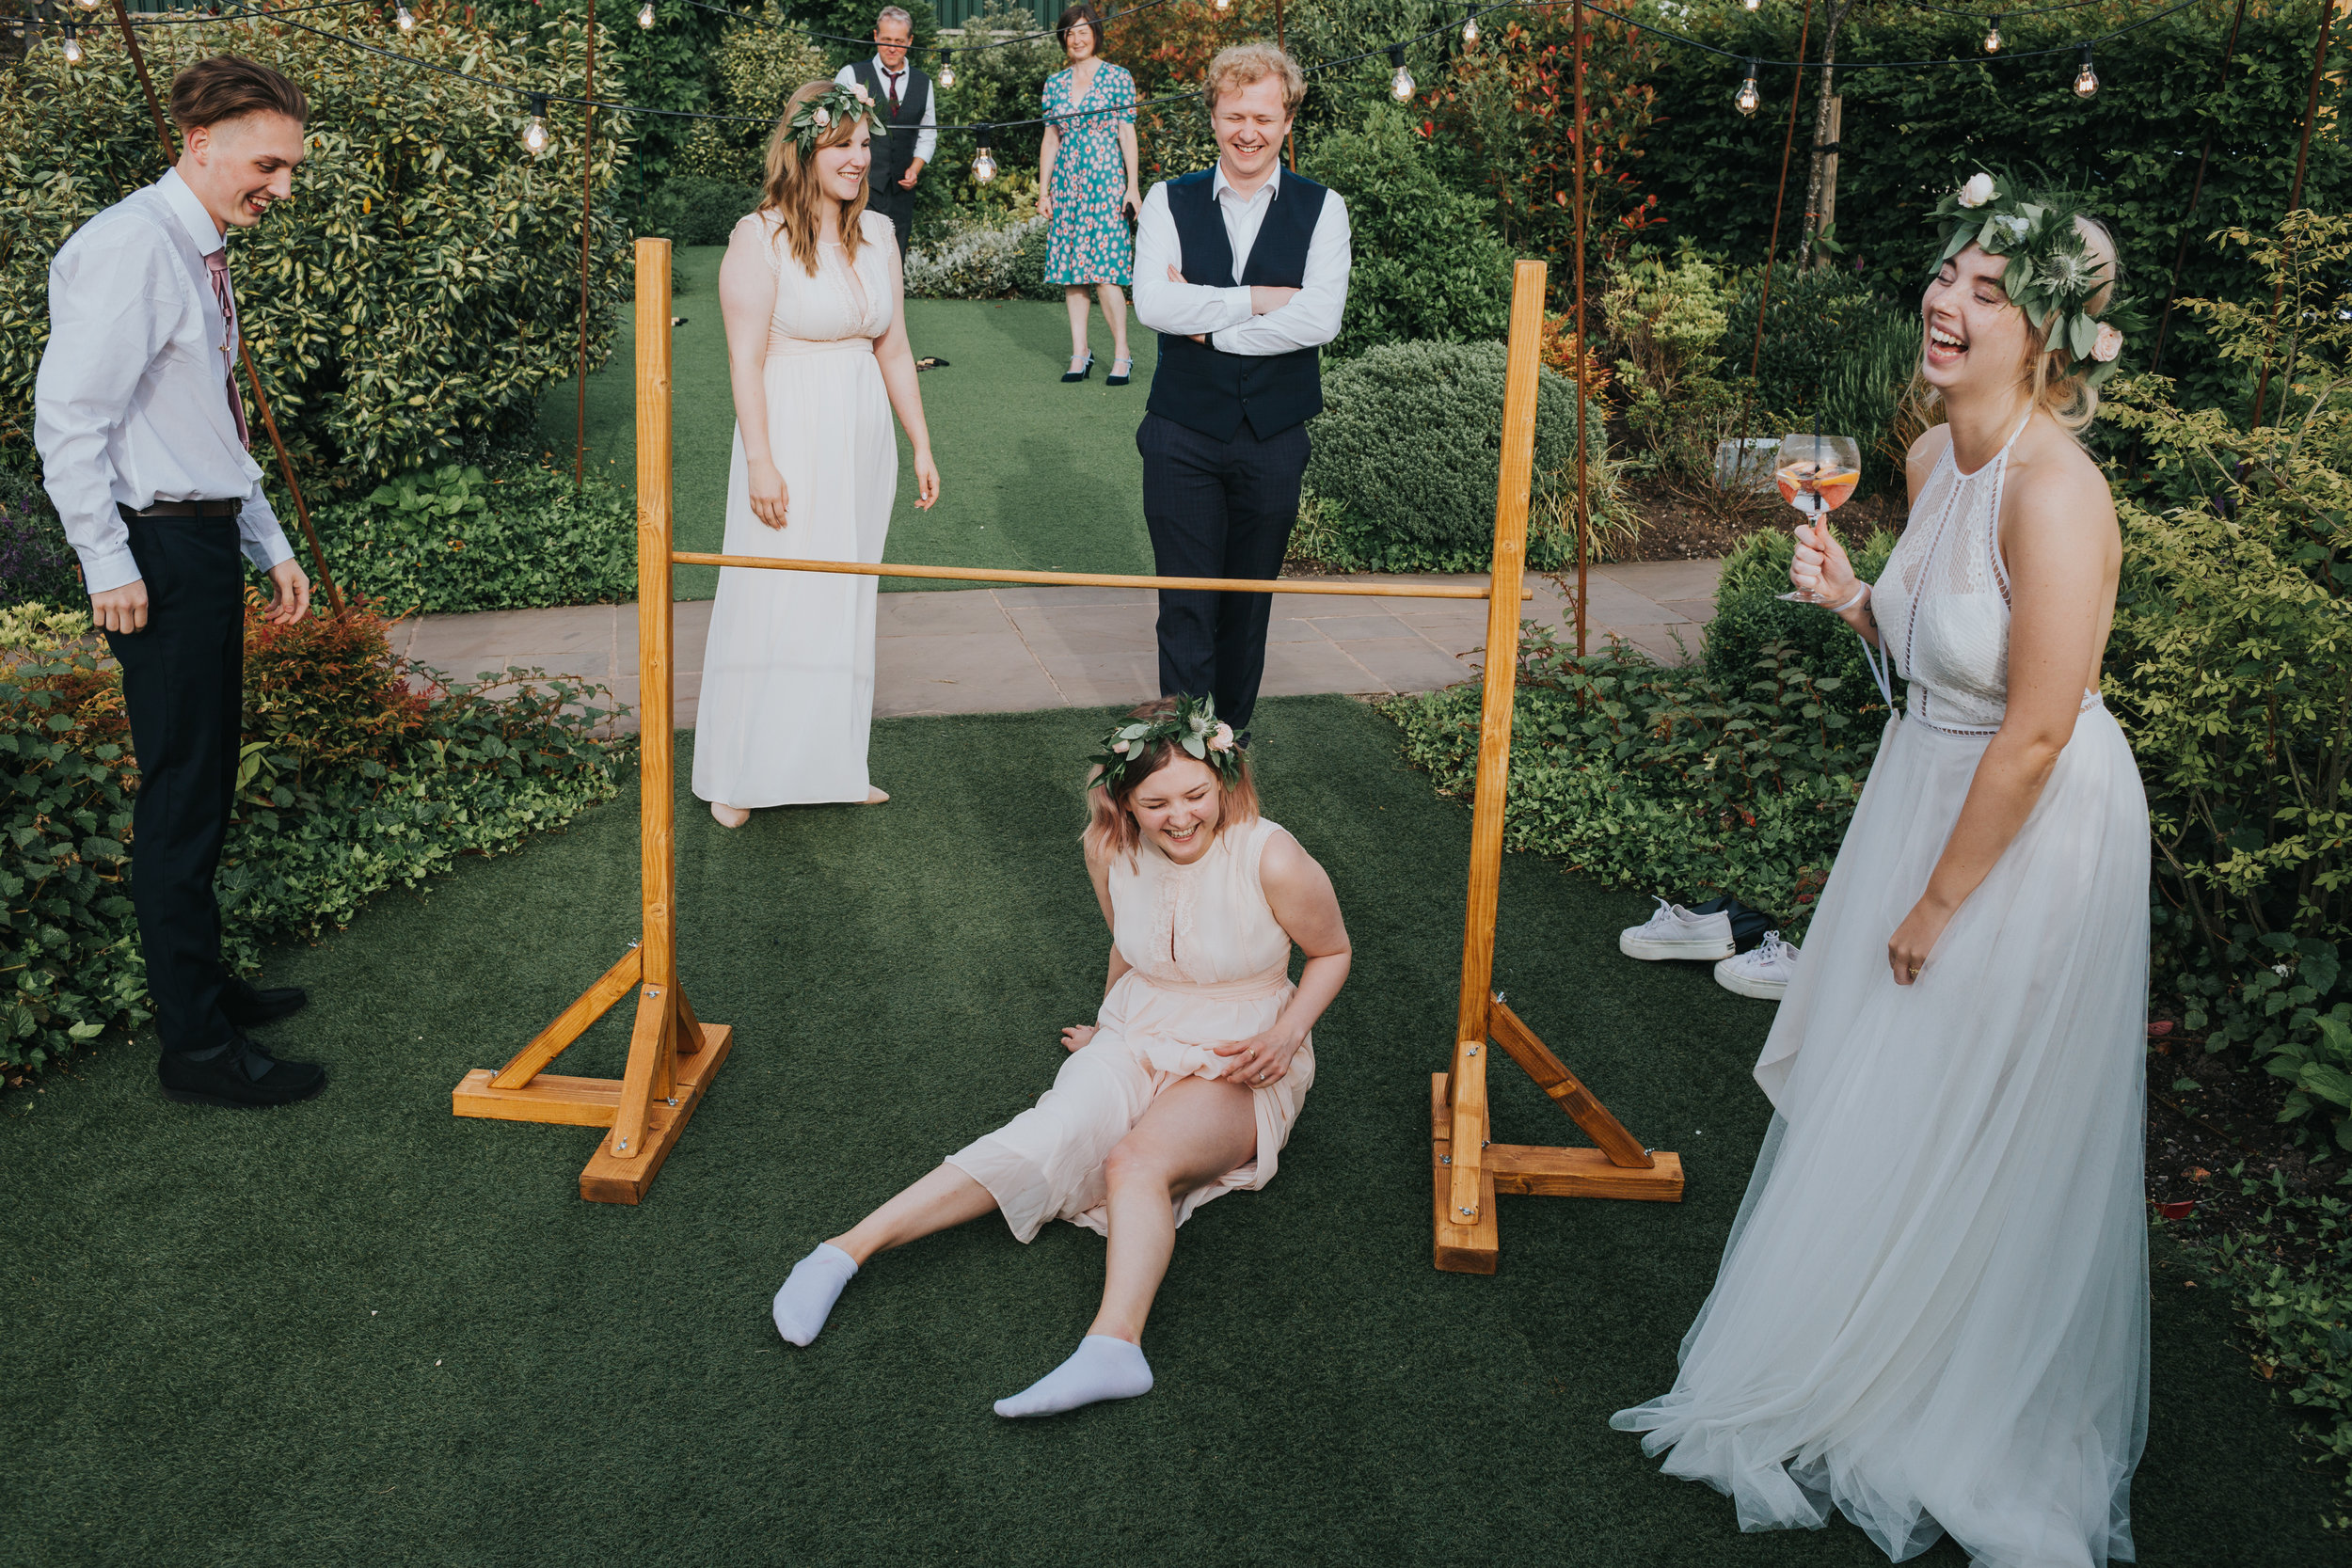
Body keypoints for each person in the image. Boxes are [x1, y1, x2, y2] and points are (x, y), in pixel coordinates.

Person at [1612, 173, 2151, 1567]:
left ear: (2046, 332)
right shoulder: (1923, 463)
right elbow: (1931, 663)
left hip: (2028, 825)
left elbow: (2037, 726)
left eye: (1989, 289)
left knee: (1964, 1094)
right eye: (1947, 273)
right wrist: (1858, 600)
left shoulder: (2057, 490)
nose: (1946, 300)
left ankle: (1953, 1386)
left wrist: (1938, 900)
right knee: (1887, 1075)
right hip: (1926, 783)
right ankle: (1864, 1352)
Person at [767, 695, 1350, 1418]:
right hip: (1140, 1024)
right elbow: (1128, 947)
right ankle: (840, 1252)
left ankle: (1115, 1348)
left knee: (1135, 1162)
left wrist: (1287, 1033)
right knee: (1049, 1130)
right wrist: (1106, 1029)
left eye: (1196, 794)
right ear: (1125, 803)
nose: (1180, 816)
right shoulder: (1108, 849)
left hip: (1242, 1046)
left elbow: (1332, 951)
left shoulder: (1271, 853)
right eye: (1156, 802)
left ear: (1225, 781)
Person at [34, 55, 321, 1109]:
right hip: (154, 557)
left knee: (203, 780)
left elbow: (207, 423)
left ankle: (207, 988)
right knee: (181, 795)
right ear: (200, 144)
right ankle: (196, 1047)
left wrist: (268, 542)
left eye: (289, 169)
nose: (281, 187)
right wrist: (106, 560)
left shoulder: (192, 248)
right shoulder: (132, 247)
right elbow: (69, 420)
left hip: (198, 543)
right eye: (267, 165)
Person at [695, 81, 941, 825]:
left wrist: (920, 442)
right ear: (804, 149)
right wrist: (760, 461)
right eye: (843, 145)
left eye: (865, 144)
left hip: (862, 439)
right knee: (775, 594)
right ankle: (738, 775)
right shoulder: (758, 237)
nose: (859, 159)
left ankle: (835, 764)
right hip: (790, 435)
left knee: (844, 600)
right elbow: (744, 361)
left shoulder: (880, 236)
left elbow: (893, 347)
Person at [1131, 42, 1349, 744]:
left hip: (1275, 438)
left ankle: (1231, 740)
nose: (1247, 131)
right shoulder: (1167, 199)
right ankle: (1187, 746)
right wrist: (1258, 299)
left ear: (1287, 121)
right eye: (1234, 116)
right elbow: (1153, 305)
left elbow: (1318, 320)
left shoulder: (1324, 208)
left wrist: (1211, 326)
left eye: (1263, 116)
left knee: (1248, 605)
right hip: (1181, 433)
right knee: (1185, 603)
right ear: (1214, 117)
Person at [1036, 4, 1139, 385]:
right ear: (1063, 38)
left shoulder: (1117, 77)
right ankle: (1080, 352)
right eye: (1070, 32)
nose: (1076, 39)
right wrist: (1043, 191)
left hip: (1106, 183)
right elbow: (1051, 139)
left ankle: (1122, 353)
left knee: (1107, 272)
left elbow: (1127, 133)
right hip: (1067, 185)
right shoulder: (1054, 83)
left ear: (1096, 33)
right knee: (1073, 273)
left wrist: (1133, 187)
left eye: (1083, 31)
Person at [834, 7, 933, 265]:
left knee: (894, 259)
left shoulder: (924, 83)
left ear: (910, 41)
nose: (892, 47)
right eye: (886, 39)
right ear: (876, 36)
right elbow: (835, 133)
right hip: (858, 187)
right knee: (855, 256)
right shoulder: (851, 74)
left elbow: (927, 134)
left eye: (899, 41)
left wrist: (915, 168)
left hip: (901, 192)